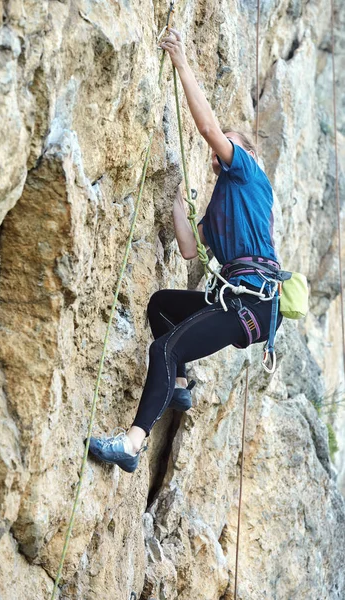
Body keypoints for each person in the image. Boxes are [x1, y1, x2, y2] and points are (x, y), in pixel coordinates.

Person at [87, 28, 282, 472]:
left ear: (243, 151)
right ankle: (176, 385)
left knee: (162, 349)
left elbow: (209, 127)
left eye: (230, 143)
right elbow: (190, 249)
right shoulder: (219, 205)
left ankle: (131, 446)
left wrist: (180, 62)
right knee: (161, 305)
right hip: (238, 300)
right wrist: (178, 203)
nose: (220, 148)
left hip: (251, 303)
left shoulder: (249, 173)